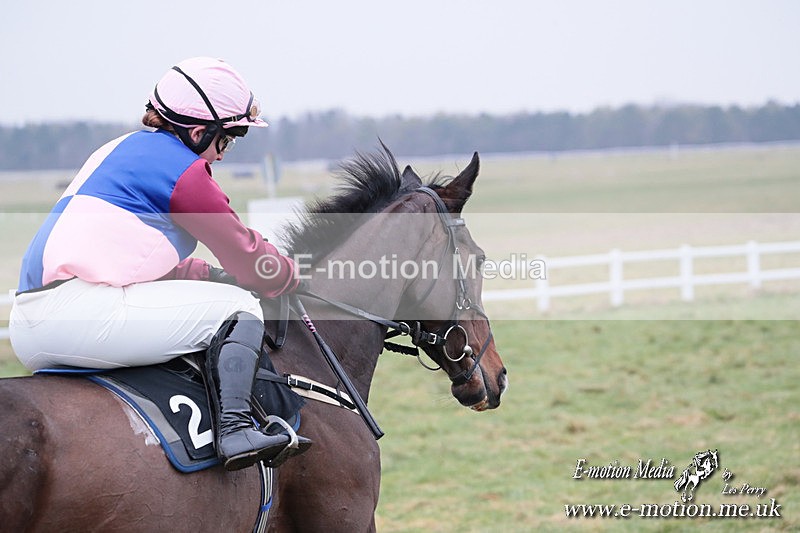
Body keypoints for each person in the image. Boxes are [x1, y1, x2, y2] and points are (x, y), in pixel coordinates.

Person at [9, 57, 310, 471]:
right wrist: (290, 273)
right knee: (241, 309)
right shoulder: (185, 172)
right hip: (78, 316)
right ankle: (237, 431)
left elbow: (131, 256)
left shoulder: (118, 149)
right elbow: (248, 257)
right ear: (198, 132)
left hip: (29, 323)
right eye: (227, 140)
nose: (222, 155)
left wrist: (208, 274)